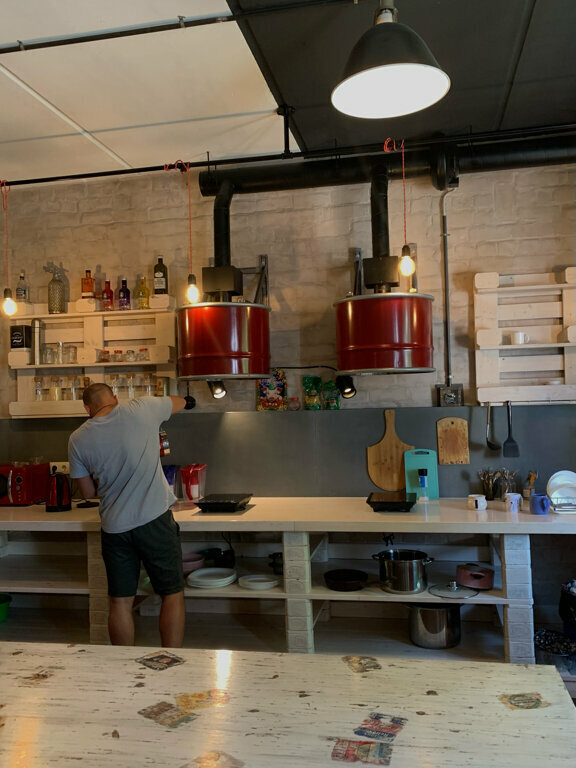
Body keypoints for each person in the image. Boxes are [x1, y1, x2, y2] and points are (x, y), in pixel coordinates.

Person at [68, 382, 191, 648]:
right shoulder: (141, 408)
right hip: (154, 520)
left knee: (120, 601)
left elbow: (87, 492)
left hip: (115, 528)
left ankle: (121, 664)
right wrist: (188, 401)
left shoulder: (77, 438)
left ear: (87, 408)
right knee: (171, 594)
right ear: (115, 397)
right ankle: (173, 658)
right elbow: (179, 402)